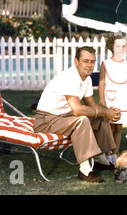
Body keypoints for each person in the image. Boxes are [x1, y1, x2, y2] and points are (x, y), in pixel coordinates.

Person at [33, 46, 121, 183]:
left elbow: (92, 104)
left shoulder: (86, 79)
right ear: (76, 61)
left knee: (100, 117)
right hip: (46, 121)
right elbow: (77, 110)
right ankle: (84, 169)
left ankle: (100, 158)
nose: (89, 65)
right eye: (85, 61)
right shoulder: (69, 77)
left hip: (63, 117)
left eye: (92, 61)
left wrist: (109, 112)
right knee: (82, 120)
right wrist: (105, 112)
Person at [99, 34, 127, 165]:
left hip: (123, 98)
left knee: (118, 128)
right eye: (117, 46)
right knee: (108, 128)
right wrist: (103, 103)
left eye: (123, 46)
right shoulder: (106, 64)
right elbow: (101, 83)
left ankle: (115, 152)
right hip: (110, 99)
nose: (121, 49)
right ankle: (107, 153)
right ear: (111, 47)